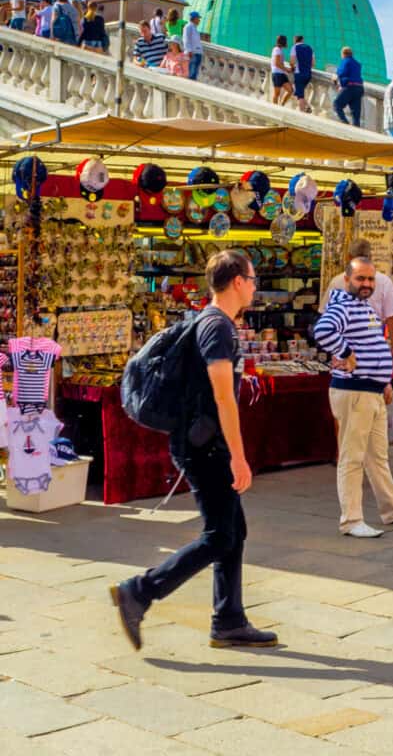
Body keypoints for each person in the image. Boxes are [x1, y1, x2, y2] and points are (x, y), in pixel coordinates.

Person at [111, 250, 278, 649]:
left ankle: (229, 619)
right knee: (221, 535)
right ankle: (141, 590)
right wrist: (238, 456)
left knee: (233, 531)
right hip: (204, 445)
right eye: (252, 279)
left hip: (201, 440)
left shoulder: (213, 323)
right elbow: (224, 399)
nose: (255, 287)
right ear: (237, 281)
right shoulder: (216, 328)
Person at [314, 257, 393, 538]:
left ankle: (392, 509)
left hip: (372, 391)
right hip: (355, 391)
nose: (367, 284)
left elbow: (374, 345)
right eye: (361, 279)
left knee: (377, 456)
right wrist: (347, 353)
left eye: (371, 279)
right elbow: (323, 331)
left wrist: (385, 380)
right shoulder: (343, 306)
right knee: (352, 458)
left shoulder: (364, 308)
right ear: (347, 279)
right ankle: (351, 520)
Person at [322, 240, 393, 365]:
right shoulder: (384, 281)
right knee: (374, 382)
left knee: (346, 382)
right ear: (370, 257)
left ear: (349, 257)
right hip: (374, 348)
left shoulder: (337, 281)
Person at [333, 46, 364, 127]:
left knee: (336, 104)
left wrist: (335, 79)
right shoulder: (358, 64)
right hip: (359, 88)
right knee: (355, 113)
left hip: (350, 88)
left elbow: (340, 73)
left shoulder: (345, 61)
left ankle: (345, 123)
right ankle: (356, 129)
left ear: (343, 54)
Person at [289, 34, 314, 113]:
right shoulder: (310, 48)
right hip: (308, 74)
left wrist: (292, 67)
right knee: (298, 92)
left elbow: (292, 61)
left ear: (295, 41)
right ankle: (308, 107)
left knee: (300, 96)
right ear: (302, 40)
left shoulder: (294, 47)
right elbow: (313, 63)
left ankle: (302, 113)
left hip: (299, 74)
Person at [270, 34, 292, 105]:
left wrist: (286, 69)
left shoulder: (278, 49)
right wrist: (287, 69)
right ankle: (274, 109)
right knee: (277, 94)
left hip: (281, 74)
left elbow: (279, 63)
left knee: (290, 90)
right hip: (277, 74)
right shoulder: (277, 50)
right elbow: (277, 63)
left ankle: (281, 105)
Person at [183, 10, 203, 80]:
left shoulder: (194, 28)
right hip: (192, 54)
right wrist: (189, 51)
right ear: (194, 18)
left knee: (194, 74)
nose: (199, 20)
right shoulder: (188, 27)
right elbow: (186, 39)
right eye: (198, 18)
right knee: (191, 74)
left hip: (197, 53)